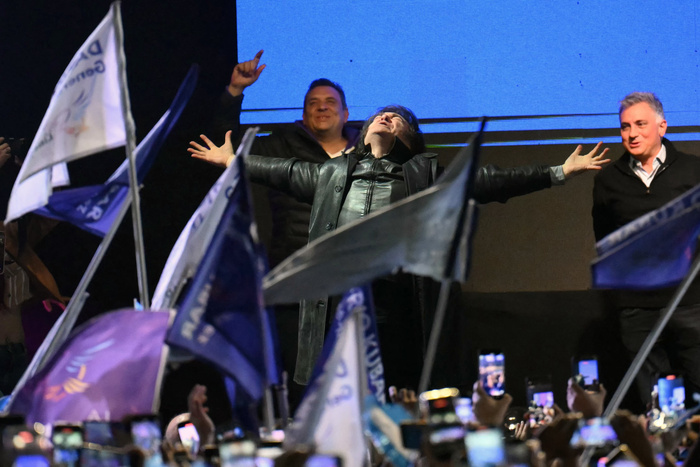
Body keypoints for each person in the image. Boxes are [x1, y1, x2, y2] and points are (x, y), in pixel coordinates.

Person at [191, 104, 610, 391]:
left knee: (397, 388)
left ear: (411, 138)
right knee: (340, 390)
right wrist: (232, 161)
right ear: (363, 132)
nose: (387, 117)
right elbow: (281, 170)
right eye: (381, 114)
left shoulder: (424, 175)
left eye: (399, 119)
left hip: (396, 305)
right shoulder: (331, 174)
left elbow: (490, 181)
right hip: (338, 303)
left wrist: (558, 171)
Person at [207, 52, 362, 409]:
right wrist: (234, 91)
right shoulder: (280, 145)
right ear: (304, 115)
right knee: (300, 384)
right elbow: (224, 147)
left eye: (330, 102)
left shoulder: (366, 152)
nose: (321, 107)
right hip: (295, 283)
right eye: (313, 103)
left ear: (346, 113)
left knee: (350, 382)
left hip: (350, 282)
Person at [592, 92, 700, 411]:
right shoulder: (608, 180)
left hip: (690, 302)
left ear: (662, 126)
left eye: (640, 124)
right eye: (625, 126)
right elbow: (606, 239)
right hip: (637, 309)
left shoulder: (693, 170)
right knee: (655, 402)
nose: (632, 133)